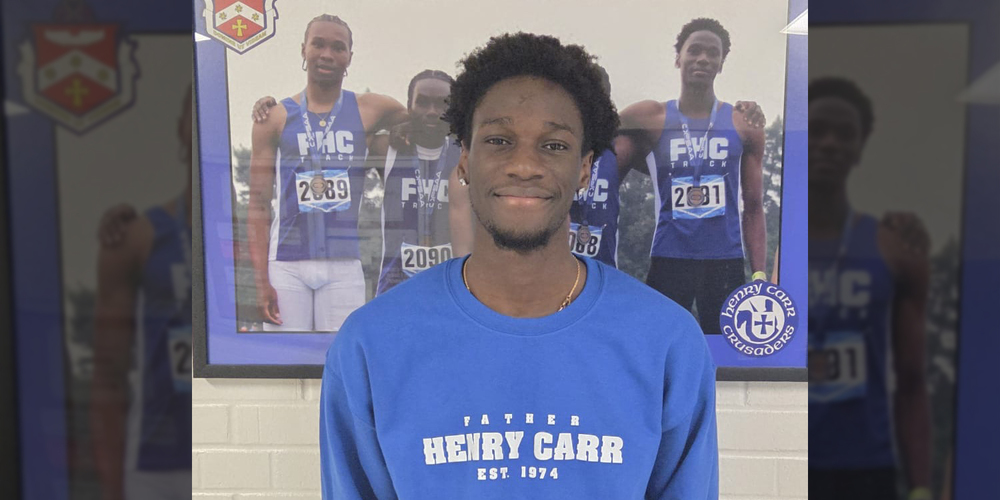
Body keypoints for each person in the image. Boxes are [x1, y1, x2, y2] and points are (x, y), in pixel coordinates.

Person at [320, 32, 718, 498]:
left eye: (553, 146)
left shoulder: (667, 342)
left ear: (586, 168)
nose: (524, 165)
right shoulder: (372, 343)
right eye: (499, 140)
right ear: (465, 159)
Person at [807, 77, 932, 500]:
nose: (829, 143)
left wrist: (919, 486)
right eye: (817, 129)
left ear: (860, 147)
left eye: (845, 134)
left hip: (867, 469)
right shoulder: (780, 251)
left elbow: (913, 382)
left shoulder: (896, 250)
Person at [247, 14, 407, 332]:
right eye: (318, 44)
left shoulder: (371, 108)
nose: (327, 54)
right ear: (303, 50)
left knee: (338, 362)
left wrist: (396, 135)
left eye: (338, 47)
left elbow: (419, 121)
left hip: (344, 263)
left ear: (349, 57)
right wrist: (261, 281)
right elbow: (258, 203)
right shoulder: (275, 116)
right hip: (286, 264)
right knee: (283, 362)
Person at [615, 18, 767, 334]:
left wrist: (760, 275)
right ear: (678, 58)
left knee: (729, 358)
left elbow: (752, 207)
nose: (703, 59)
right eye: (694, 50)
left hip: (724, 261)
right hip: (670, 257)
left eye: (713, 53)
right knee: (660, 349)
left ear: (722, 63)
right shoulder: (651, 116)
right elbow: (597, 128)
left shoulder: (743, 123)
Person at [90, 86, 193, 500]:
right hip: (157, 460)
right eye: (193, 110)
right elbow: (107, 379)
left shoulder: (253, 234)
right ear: (181, 129)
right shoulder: (136, 237)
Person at [373, 70, 461, 294]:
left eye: (443, 104)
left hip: (450, 286)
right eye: (422, 103)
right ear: (409, 107)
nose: (432, 112)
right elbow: (353, 124)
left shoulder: (465, 153)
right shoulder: (387, 149)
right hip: (396, 285)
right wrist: (271, 109)